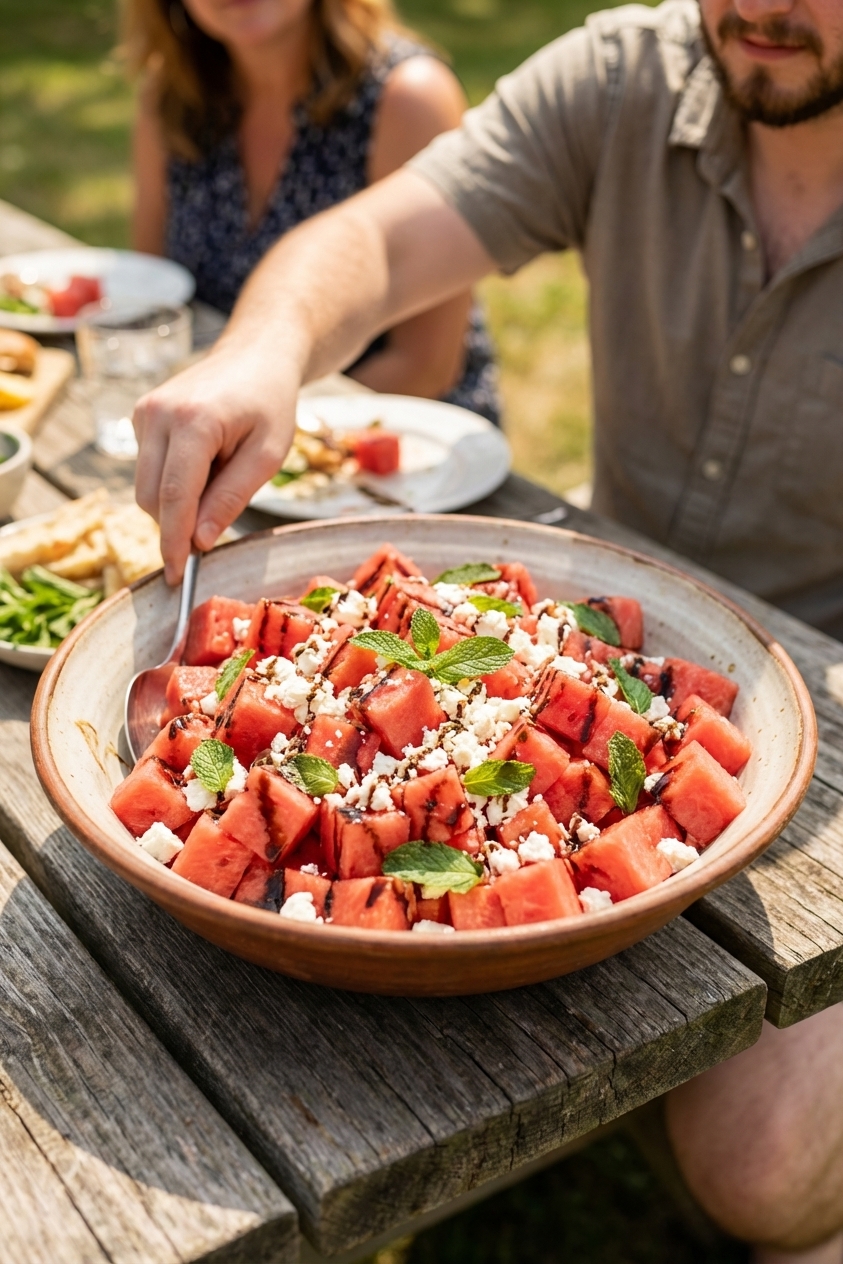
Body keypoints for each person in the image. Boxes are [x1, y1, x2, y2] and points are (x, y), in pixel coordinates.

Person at [132, 0, 843, 1257]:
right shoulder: (629, 75)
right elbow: (372, 241)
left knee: (766, 1165)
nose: (764, 6)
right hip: (617, 670)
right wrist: (268, 348)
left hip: (828, 722)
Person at [125, 0, 500, 420]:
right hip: (219, 423)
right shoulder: (173, 96)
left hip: (405, 440)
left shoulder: (408, 96)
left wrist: (246, 424)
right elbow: (152, 299)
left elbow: (425, 368)